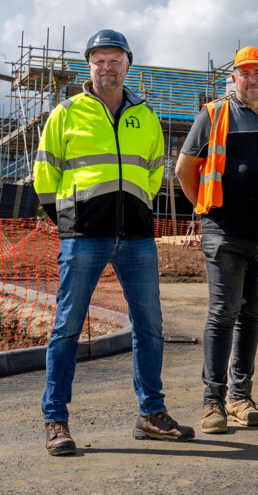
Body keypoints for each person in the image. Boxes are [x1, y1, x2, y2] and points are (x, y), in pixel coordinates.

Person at [33, 29, 194, 456]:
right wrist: (68, 222)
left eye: (115, 59)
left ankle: (151, 413)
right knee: (66, 328)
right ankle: (56, 420)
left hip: (138, 237)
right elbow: (45, 177)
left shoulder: (146, 116)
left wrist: (137, 213)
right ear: (89, 66)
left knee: (150, 327)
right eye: (99, 59)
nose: (108, 67)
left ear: (128, 64)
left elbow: (154, 173)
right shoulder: (66, 114)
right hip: (84, 235)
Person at [175, 47, 258, 434]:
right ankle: (212, 402)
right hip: (224, 233)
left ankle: (240, 397)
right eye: (244, 73)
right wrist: (205, 209)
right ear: (234, 79)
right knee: (223, 312)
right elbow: (184, 168)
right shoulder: (214, 115)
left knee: (251, 315)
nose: (252, 79)